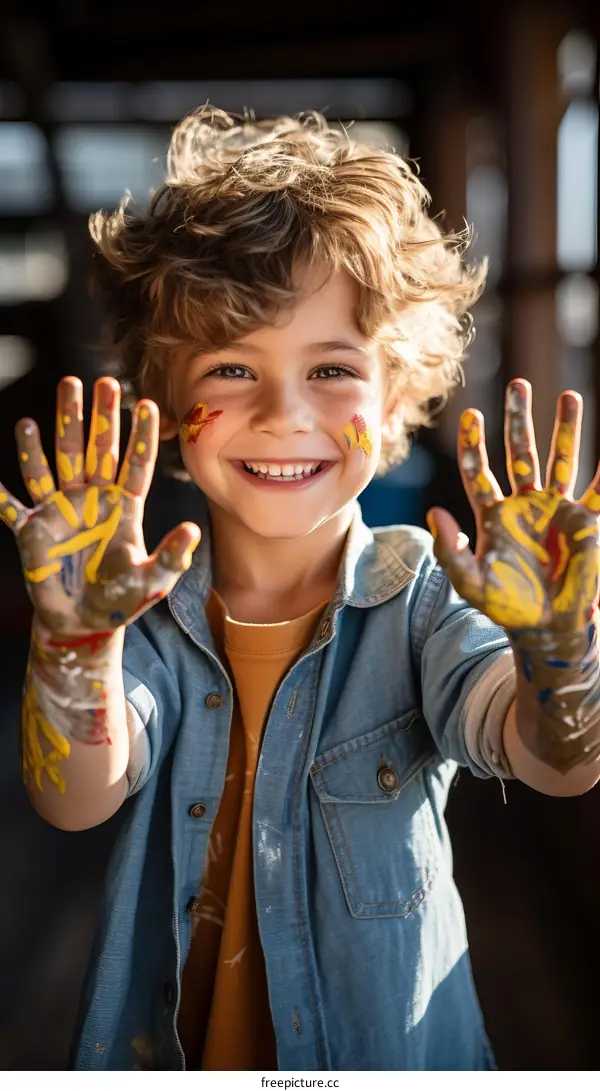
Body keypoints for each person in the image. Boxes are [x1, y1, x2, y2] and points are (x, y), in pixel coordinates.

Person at [3, 106, 600, 1072]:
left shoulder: (425, 601)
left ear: (398, 394)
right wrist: (76, 649)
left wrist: (560, 651)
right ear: (164, 406)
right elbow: (74, 800)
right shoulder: (138, 610)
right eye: (232, 368)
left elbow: (557, 761)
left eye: (331, 368)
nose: (285, 414)